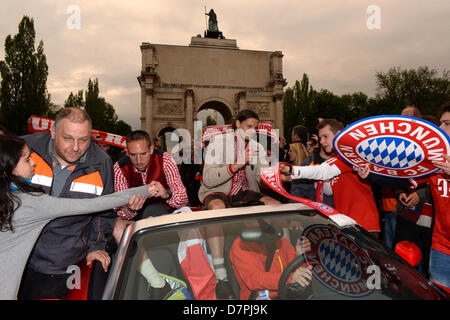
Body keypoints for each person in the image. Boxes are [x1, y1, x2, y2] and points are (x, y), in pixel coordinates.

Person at [0, 135, 152, 300]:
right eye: (27, 159)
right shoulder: (32, 204)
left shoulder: (9, 198)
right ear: (11, 166)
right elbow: (96, 204)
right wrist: (147, 190)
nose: (33, 162)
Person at [18, 107, 117, 300]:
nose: (76, 147)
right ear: (53, 132)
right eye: (68, 138)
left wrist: (96, 246)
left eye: (83, 139)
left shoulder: (102, 163)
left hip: (61, 262)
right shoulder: (25, 150)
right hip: (17, 255)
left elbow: (103, 211)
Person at [198, 109, 280, 299]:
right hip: (217, 192)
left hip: (244, 194)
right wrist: (236, 165)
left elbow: (263, 177)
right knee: (217, 208)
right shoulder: (218, 143)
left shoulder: (257, 147)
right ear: (237, 124)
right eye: (248, 126)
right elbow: (208, 179)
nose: (252, 131)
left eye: (255, 128)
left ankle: (282, 263)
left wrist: (279, 175)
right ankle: (221, 277)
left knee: (275, 205)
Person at [280, 119, 381, 235]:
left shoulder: (348, 155)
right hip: (348, 223)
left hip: (363, 224)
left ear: (338, 135)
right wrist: (291, 178)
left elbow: (323, 171)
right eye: (320, 137)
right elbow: (327, 189)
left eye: (325, 137)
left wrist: (290, 170)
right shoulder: (335, 157)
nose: (322, 141)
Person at [230, 219, 312, 300]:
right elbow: (254, 280)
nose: (264, 221)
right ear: (246, 222)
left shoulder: (280, 241)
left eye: (266, 217)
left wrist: (301, 256)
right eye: (258, 218)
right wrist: (290, 278)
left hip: (288, 294)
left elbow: (295, 271)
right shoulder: (240, 245)